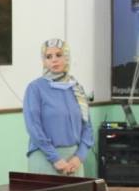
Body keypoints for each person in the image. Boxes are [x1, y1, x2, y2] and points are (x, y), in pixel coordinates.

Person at [23, 38, 93, 176]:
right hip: (45, 157)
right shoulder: (35, 88)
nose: (54, 60)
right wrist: (55, 158)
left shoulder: (77, 89)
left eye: (59, 55)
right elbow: (33, 127)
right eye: (48, 56)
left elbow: (87, 127)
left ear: (66, 57)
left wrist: (80, 156)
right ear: (44, 61)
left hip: (74, 161)